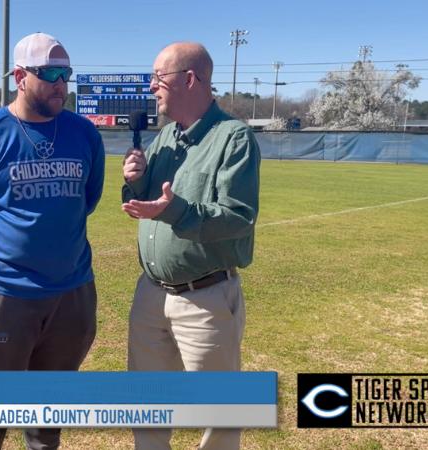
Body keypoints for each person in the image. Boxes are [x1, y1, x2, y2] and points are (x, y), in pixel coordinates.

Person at [0, 32, 105, 450]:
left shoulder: (84, 134)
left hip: (71, 294)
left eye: (66, 74)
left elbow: (87, 200)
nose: (60, 84)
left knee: (48, 419)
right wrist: (4, 248)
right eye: (49, 73)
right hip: (3, 295)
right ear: (20, 77)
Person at [121, 42, 260, 450]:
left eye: (158, 77)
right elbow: (148, 203)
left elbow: (237, 218)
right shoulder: (165, 137)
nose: (152, 87)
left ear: (189, 79)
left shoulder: (233, 138)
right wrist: (135, 182)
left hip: (205, 298)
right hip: (150, 294)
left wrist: (175, 210)